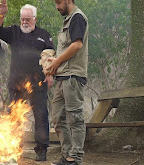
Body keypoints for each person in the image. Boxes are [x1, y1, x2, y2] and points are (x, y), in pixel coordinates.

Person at [0, 0, 55, 161]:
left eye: (28, 19)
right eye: (22, 19)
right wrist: (1, 14)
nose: (25, 22)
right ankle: (13, 149)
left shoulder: (44, 35)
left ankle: (41, 150)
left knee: (41, 116)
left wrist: (49, 75)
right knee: (13, 116)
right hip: (16, 84)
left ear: (34, 18)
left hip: (37, 84)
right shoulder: (14, 32)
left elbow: (49, 56)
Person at [46, 0, 89, 165]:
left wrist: (57, 61)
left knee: (75, 118)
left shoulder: (77, 17)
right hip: (62, 77)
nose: (57, 6)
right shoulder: (68, 19)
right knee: (57, 117)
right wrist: (52, 64)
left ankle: (75, 158)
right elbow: (65, 49)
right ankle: (67, 155)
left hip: (73, 77)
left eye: (58, 2)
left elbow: (77, 45)